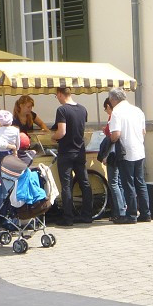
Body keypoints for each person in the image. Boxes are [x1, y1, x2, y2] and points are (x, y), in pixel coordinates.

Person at [51, 86, 92, 226]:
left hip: (66, 152)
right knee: (84, 183)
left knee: (66, 185)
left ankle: (68, 218)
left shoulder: (62, 110)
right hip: (80, 150)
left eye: (56, 96)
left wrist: (53, 137)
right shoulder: (83, 109)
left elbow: (62, 132)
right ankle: (87, 215)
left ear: (60, 94)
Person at [107, 88, 149, 225]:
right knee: (140, 182)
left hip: (126, 152)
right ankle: (145, 213)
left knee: (128, 184)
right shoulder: (137, 111)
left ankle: (131, 215)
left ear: (113, 100)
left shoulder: (116, 113)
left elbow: (116, 135)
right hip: (139, 150)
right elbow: (144, 132)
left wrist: (110, 140)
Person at [99, 97, 127, 222]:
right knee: (119, 183)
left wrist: (105, 155)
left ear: (109, 107)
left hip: (113, 154)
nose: (106, 111)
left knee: (114, 183)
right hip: (122, 153)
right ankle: (123, 208)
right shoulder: (123, 114)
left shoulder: (114, 117)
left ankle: (120, 211)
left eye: (106, 109)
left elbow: (112, 138)